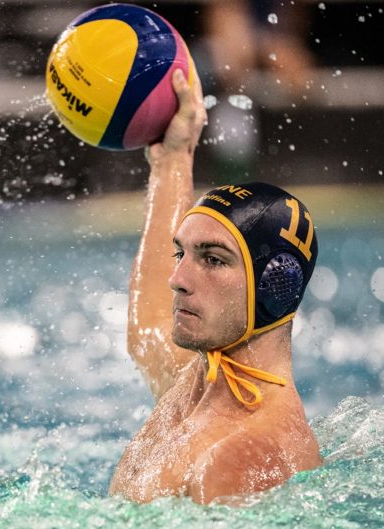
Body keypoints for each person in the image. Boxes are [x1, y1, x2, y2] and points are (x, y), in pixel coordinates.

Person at [108, 68, 322, 504]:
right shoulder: (199, 384)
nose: (177, 280)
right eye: (181, 254)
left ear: (274, 286)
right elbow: (147, 332)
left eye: (212, 259)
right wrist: (173, 158)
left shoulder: (238, 461)